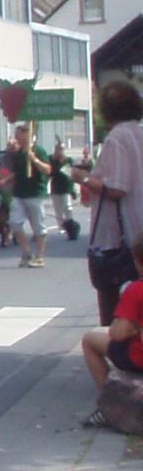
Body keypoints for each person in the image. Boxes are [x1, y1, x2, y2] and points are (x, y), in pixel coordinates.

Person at [85, 79, 143, 322]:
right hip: (138, 228)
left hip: (119, 233)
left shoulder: (117, 137)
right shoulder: (138, 132)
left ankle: (115, 346)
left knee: (108, 294)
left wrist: (85, 179)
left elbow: (117, 188)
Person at [80, 231, 143, 431]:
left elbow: (119, 333)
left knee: (90, 340)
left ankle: (110, 405)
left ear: (138, 261)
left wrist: (131, 327)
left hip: (138, 356)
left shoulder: (136, 290)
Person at [3, 123, 50, 267]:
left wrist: (34, 159)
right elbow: (16, 172)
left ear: (26, 134)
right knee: (14, 222)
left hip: (35, 193)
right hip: (19, 193)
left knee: (38, 226)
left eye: (19, 134)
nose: (16, 136)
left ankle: (39, 256)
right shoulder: (17, 154)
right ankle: (26, 252)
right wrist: (6, 180)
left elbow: (47, 170)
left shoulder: (38, 150)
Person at [49, 139, 77, 241]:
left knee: (67, 207)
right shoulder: (52, 160)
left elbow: (69, 175)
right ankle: (61, 227)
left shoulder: (67, 160)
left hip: (65, 188)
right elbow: (51, 172)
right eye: (58, 149)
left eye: (62, 149)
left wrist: (72, 189)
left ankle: (70, 223)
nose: (60, 151)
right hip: (56, 188)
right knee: (58, 209)